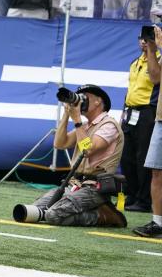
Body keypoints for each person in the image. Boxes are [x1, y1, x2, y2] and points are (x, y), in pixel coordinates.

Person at [28, 85, 126, 227]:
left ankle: (104, 215)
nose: (81, 101)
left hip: (95, 188)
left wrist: (77, 121)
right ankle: (90, 208)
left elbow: (88, 150)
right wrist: (67, 114)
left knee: (52, 215)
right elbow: (59, 144)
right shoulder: (86, 126)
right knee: (36, 210)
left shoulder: (109, 125)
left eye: (85, 97)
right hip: (75, 184)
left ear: (98, 101)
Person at [121, 29, 159, 213]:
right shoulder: (134, 62)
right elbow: (131, 89)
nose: (144, 42)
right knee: (126, 156)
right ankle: (133, 194)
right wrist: (124, 111)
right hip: (130, 112)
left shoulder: (157, 60)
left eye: (148, 38)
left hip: (147, 113)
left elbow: (155, 79)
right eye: (142, 38)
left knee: (143, 158)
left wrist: (153, 49)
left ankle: (144, 201)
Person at [133, 25, 162, 238]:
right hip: (161, 117)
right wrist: (152, 49)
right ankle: (157, 222)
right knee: (156, 171)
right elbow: (155, 78)